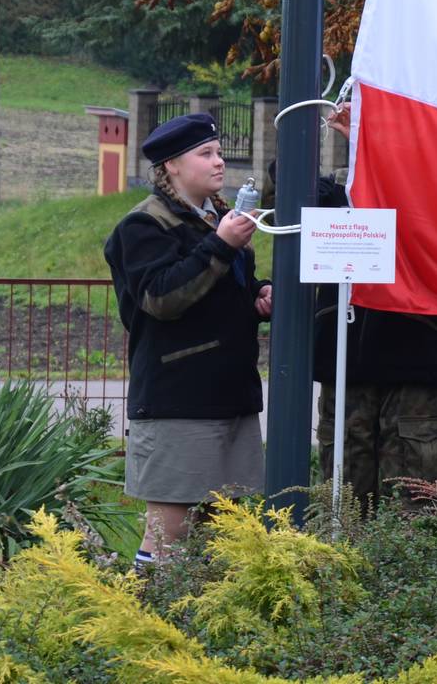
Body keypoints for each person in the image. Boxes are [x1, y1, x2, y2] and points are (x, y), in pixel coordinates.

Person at [103, 112, 273, 568]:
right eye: (206, 154)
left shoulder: (218, 219)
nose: (219, 162)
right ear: (172, 165)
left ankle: (207, 629)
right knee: (171, 529)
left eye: (218, 152)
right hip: (177, 398)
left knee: (225, 526)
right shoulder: (141, 226)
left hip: (230, 395)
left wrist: (259, 295)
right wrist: (221, 246)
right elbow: (161, 298)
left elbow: (219, 292)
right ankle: (147, 622)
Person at [309, 104, 437, 513]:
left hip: (411, 352)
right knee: (345, 494)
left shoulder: (427, 186)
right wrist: (332, 140)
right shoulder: (338, 192)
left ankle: (408, 575)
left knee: (414, 497)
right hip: (346, 355)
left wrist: (379, 149)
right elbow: (285, 189)